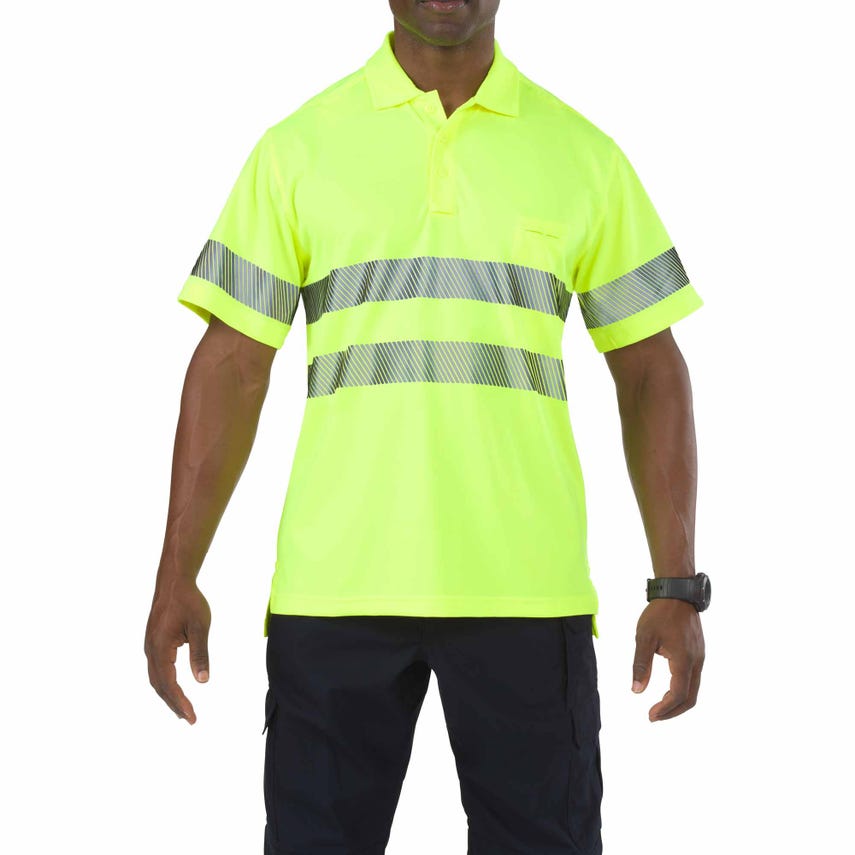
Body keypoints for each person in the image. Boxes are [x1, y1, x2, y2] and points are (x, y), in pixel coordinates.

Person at [144, 1, 708, 852]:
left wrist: (675, 585)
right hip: (334, 592)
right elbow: (230, 365)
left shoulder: (582, 155)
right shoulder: (297, 149)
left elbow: (650, 371)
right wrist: (175, 572)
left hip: (527, 592)